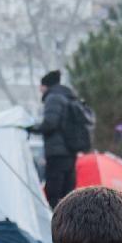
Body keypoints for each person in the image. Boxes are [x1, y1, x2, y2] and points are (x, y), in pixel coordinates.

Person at [35, 69, 88, 208]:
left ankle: (54, 224)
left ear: (45, 86)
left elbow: (50, 123)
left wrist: (31, 127)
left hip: (56, 154)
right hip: (70, 152)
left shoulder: (53, 98)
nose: (40, 90)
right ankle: (67, 224)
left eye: (41, 86)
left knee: (53, 193)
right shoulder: (68, 97)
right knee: (67, 192)